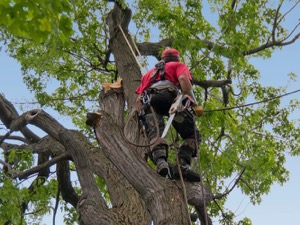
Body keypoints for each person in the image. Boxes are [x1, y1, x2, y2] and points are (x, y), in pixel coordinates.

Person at [135, 48, 203, 182]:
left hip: (149, 103)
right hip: (169, 100)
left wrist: (140, 117)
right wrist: (194, 104)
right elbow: (183, 79)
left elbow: (138, 100)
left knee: (155, 133)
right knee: (193, 135)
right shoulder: (178, 66)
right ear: (176, 59)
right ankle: (181, 166)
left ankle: (161, 162)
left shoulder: (148, 74)